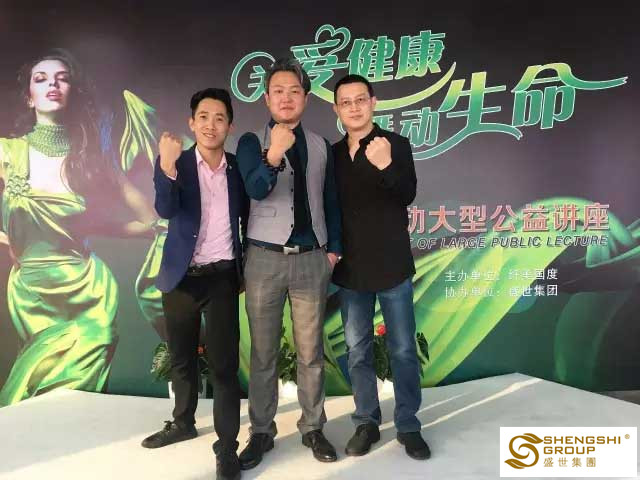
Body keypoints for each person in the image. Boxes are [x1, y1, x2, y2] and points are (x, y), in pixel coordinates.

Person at [0, 48, 155, 406]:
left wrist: (101, 222)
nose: (52, 85)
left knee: (80, 395)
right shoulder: (7, 152)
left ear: (73, 92)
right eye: (41, 79)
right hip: (33, 294)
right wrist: (8, 239)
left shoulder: (90, 157)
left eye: (62, 79)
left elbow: (147, 219)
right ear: (29, 96)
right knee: (35, 395)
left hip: (89, 291)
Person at [235, 58, 342, 468]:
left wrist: (333, 250)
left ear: (305, 98)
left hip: (312, 260)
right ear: (266, 99)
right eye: (278, 91)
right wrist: (274, 153)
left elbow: (331, 201)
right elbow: (256, 189)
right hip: (264, 260)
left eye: (294, 91)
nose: (286, 98)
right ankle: (261, 431)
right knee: (263, 353)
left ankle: (313, 427)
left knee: (310, 352)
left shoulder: (320, 145)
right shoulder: (251, 142)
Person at [142, 88, 248, 480]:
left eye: (219, 118)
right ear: (192, 123)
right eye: (203, 117)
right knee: (182, 357)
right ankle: (183, 422)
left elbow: (251, 214)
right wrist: (167, 167)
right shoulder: (177, 162)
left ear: (229, 126)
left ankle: (227, 447)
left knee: (224, 366)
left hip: (221, 278)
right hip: (181, 278)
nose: (210, 125)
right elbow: (165, 208)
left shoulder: (237, 169)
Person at [331, 74, 430, 460]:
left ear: (373, 103)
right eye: (346, 102)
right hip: (351, 269)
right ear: (337, 109)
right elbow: (328, 210)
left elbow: (407, 194)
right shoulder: (333, 155)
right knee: (357, 351)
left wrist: (386, 164)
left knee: (402, 349)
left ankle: (408, 424)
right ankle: (366, 422)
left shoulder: (395, 145)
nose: (354, 107)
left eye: (361, 99)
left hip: (392, 264)